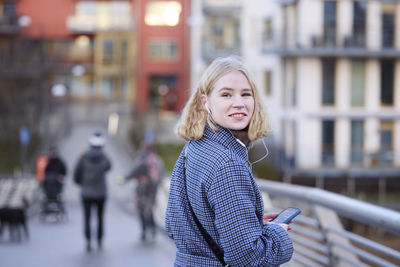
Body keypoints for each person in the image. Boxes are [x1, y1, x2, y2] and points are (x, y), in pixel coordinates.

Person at [165, 56, 294, 266]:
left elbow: (173, 224)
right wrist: (277, 233)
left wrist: (242, 224)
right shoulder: (227, 164)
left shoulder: (194, 148)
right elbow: (247, 258)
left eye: (246, 94)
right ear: (205, 102)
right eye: (226, 94)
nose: (239, 103)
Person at [120, 137, 165, 242]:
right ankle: (153, 229)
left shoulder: (142, 160)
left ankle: (144, 230)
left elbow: (134, 171)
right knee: (150, 209)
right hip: (153, 189)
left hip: (142, 189)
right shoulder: (158, 160)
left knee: (141, 210)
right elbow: (161, 174)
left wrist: (123, 179)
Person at [73, 132, 111, 252]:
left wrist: (82, 184)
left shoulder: (83, 157)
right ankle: (99, 240)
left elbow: (76, 174)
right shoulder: (103, 157)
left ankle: (88, 240)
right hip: (101, 193)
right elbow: (109, 166)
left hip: (86, 193)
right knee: (100, 217)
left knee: (87, 217)